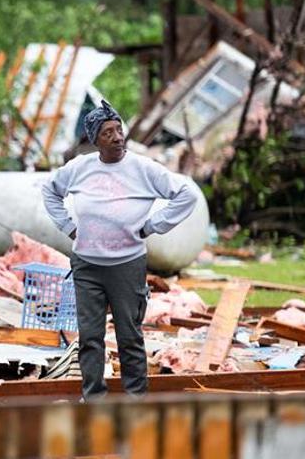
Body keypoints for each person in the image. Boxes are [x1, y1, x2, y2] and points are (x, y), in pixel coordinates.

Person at [42, 100, 198, 400]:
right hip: (87, 265)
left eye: (118, 129)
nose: (116, 137)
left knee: (129, 337)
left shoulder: (142, 168)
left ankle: (136, 401)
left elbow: (186, 194)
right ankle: (94, 401)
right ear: (94, 140)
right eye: (107, 132)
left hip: (127, 265)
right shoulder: (80, 168)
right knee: (90, 338)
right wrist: (68, 226)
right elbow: (50, 191)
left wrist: (153, 226)